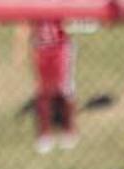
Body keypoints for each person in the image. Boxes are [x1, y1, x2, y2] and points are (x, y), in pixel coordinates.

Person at [15, 20, 77, 153]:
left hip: (60, 49)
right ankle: (44, 134)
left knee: (64, 90)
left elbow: (70, 23)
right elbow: (24, 27)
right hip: (40, 49)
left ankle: (68, 129)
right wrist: (21, 51)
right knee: (43, 91)